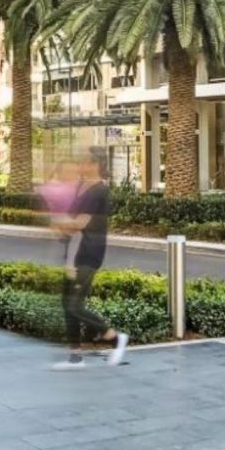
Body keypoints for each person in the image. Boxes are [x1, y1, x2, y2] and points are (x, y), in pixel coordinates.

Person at [51, 148, 128, 369]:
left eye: (84, 162)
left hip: (87, 253)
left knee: (74, 305)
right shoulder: (81, 187)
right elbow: (71, 219)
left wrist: (58, 223)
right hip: (73, 253)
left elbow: (80, 223)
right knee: (67, 304)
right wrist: (61, 228)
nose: (80, 166)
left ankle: (114, 337)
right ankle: (75, 357)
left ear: (95, 165)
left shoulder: (99, 191)